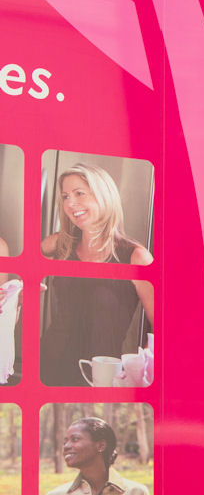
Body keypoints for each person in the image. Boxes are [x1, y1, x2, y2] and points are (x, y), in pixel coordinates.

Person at [39, 164, 155, 387]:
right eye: (65, 196)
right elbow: (23, 266)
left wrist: (141, 369)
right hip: (47, 368)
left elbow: (165, 328)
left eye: (80, 193)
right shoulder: (59, 244)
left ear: (104, 196)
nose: (70, 203)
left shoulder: (136, 257)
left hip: (97, 377)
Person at [41, 416, 151, 495]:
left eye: (75, 439)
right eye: (65, 442)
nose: (66, 446)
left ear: (101, 445)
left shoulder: (137, 493)